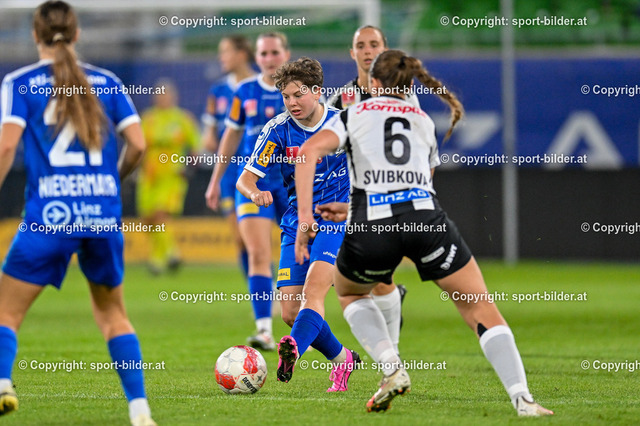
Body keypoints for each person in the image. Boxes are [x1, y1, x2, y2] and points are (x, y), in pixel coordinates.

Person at [294, 49, 554, 416]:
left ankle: (391, 367)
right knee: (479, 305)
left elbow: (307, 153)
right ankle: (523, 399)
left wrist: (307, 218)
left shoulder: (353, 114)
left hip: (373, 228)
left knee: (350, 293)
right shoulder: (423, 121)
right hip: (426, 223)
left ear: (374, 83)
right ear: (409, 84)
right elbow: (415, 186)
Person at [0, 2, 156, 425]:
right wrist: (111, 180)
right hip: (101, 215)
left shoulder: (20, 83)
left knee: (6, 313)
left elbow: (7, 146)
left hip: (50, 216)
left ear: (35, 35)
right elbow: (139, 144)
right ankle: (140, 411)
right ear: (77, 33)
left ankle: (2, 383)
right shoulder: (107, 81)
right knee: (113, 315)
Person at [237, 57, 360, 392]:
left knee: (313, 292)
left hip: (335, 220)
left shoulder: (343, 124)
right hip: (297, 223)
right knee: (291, 311)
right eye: (286, 96)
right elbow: (245, 179)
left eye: (298, 94)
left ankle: (293, 349)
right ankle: (342, 359)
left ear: (317, 92)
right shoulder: (277, 129)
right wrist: (255, 192)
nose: (291, 102)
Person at [327, 25, 411, 354]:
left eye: (373, 44)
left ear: (384, 49)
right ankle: (392, 355)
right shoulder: (339, 100)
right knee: (373, 278)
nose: (367, 51)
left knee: (372, 278)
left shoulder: (402, 95)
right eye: (360, 45)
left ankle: (393, 356)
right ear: (352, 53)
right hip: (352, 200)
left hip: (390, 198)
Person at [205, 32, 290, 351]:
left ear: (286, 54)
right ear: (256, 57)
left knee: (302, 251)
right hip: (252, 184)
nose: (269, 59)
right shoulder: (245, 91)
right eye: (263, 53)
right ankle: (264, 329)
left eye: (274, 52)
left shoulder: (296, 92)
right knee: (257, 252)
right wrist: (215, 180)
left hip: (290, 184)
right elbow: (230, 136)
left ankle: (303, 324)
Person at [201, 35, 255, 278]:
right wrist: (209, 138)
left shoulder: (260, 85)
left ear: (241, 54)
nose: (221, 57)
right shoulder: (218, 90)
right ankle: (264, 291)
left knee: (260, 237)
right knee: (241, 238)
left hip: (258, 170)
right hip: (228, 173)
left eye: (225, 51)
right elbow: (209, 133)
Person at [137, 80, 199, 274]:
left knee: (160, 214)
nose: (162, 98)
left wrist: (190, 167)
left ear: (174, 97)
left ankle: (163, 258)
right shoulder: (148, 119)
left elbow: (195, 146)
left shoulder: (183, 119)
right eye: (159, 94)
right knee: (148, 219)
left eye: (166, 95)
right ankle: (167, 253)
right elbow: (138, 146)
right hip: (149, 175)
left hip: (172, 175)